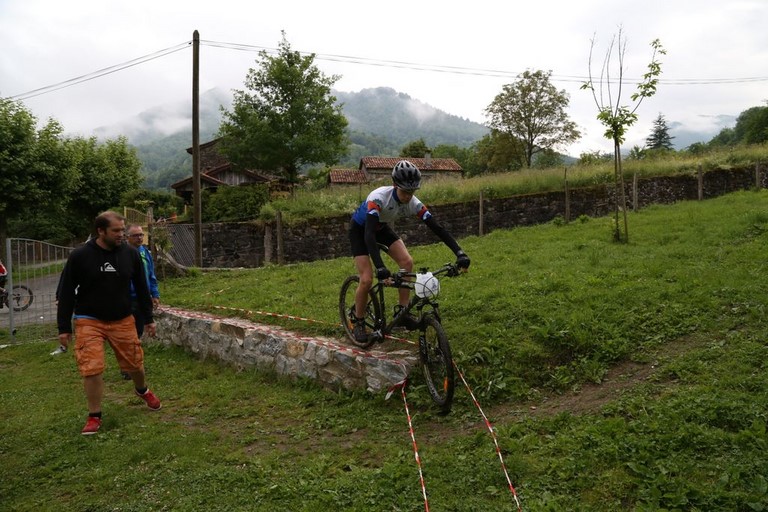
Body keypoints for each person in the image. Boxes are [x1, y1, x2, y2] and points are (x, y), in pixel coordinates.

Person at [57, 211, 162, 435]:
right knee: (91, 367)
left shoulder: (130, 253)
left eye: (123, 230)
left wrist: (149, 319)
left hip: (122, 319)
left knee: (135, 364)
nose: (121, 234)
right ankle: (94, 415)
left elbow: (142, 288)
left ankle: (142, 390)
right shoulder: (80, 256)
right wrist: (63, 328)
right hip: (89, 319)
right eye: (116, 231)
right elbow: (66, 292)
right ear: (101, 231)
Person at [348, 160, 471, 343]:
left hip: (381, 228)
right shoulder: (378, 197)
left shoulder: (414, 203)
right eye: (405, 191)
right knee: (366, 279)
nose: (408, 196)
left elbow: (437, 228)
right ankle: (358, 320)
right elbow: (368, 235)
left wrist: (459, 252)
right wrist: (380, 266)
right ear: (395, 185)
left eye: (411, 192)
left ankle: (403, 312)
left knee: (407, 262)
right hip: (361, 230)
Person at [121, 224, 161, 379]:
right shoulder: (122, 253)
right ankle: (126, 367)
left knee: (137, 332)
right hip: (126, 299)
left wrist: (154, 293)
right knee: (127, 334)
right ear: (127, 237)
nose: (139, 238)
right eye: (135, 235)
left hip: (142, 298)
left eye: (141, 235)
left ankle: (134, 365)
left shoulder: (145, 252)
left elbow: (151, 274)